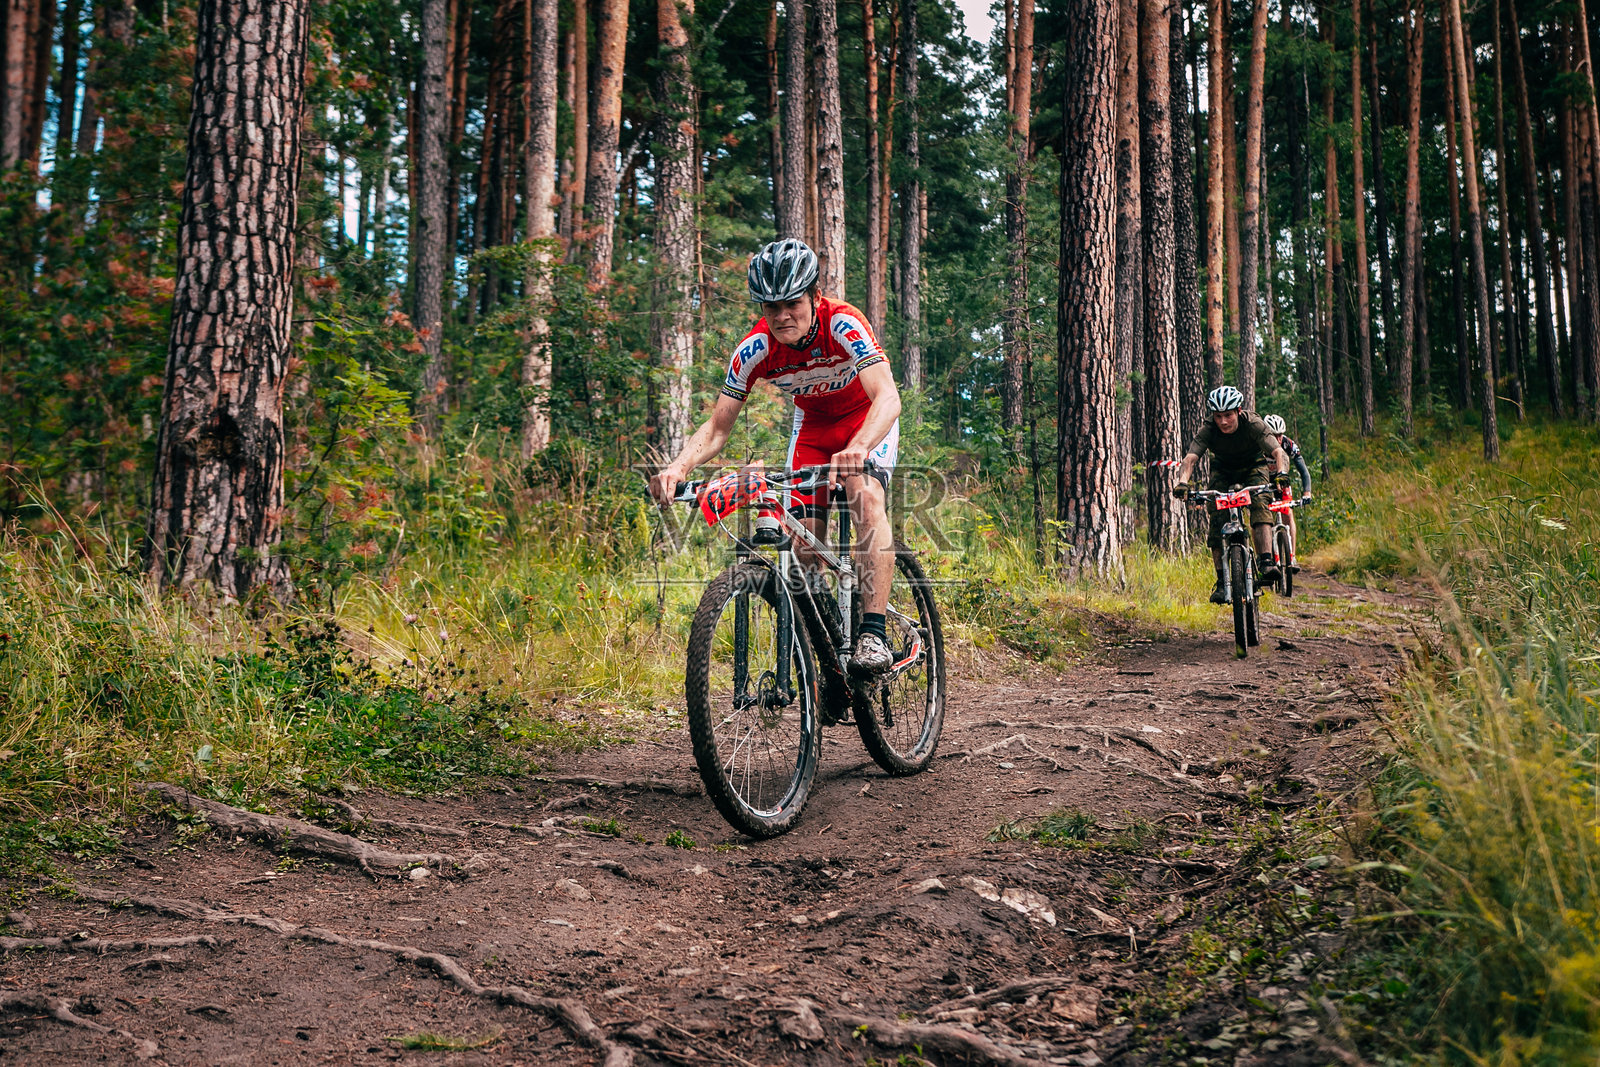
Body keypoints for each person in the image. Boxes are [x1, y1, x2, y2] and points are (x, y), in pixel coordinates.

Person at [648, 239, 902, 674]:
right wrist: (678, 467)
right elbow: (717, 427)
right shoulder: (756, 348)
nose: (782, 315)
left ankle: (874, 634)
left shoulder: (843, 323)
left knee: (864, 495)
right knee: (802, 548)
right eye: (770, 307)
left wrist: (858, 446)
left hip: (866, 419)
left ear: (815, 297)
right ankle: (825, 653)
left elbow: (888, 397)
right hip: (814, 429)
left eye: (791, 303)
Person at [1171, 386, 1293, 605]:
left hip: (1254, 466)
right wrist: (1182, 482)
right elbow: (1190, 459)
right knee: (1217, 516)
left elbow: (1277, 452)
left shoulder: (1253, 423)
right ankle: (1221, 581)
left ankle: (1266, 561)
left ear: (1238, 411)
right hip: (1223, 469)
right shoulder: (1209, 428)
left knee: (1260, 503)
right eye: (1218, 416)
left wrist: (1281, 474)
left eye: (1228, 415)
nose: (1223, 421)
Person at [1262, 414, 1313, 572]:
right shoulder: (1259, 445)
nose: (1277, 439)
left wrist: (1307, 493)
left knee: (1288, 514)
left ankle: (1292, 556)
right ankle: (1266, 557)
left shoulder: (1288, 444)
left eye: (1280, 435)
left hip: (1283, 483)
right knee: (1263, 517)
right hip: (1264, 484)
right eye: (1273, 435)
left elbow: (1303, 471)